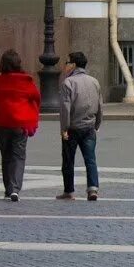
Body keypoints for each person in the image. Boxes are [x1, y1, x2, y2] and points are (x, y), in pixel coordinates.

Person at [0, 49, 41, 201]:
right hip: (20, 123)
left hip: (2, 122)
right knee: (18, 156)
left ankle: (7, 188)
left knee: (6, 156)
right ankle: (15, 188)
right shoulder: (26, 81)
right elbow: (36, 98)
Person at [58, 51, 102, 201]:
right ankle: (93, 189)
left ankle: (69, 191)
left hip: (72, 128)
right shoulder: (94, 81)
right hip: (89, 127)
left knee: (68, 160)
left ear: (73, 65)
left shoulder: (68, 83)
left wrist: (64, 129)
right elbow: (99, 104)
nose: (65, 65)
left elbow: (65, 108)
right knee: (90, 159)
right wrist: (97, 124)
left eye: (67, 62)